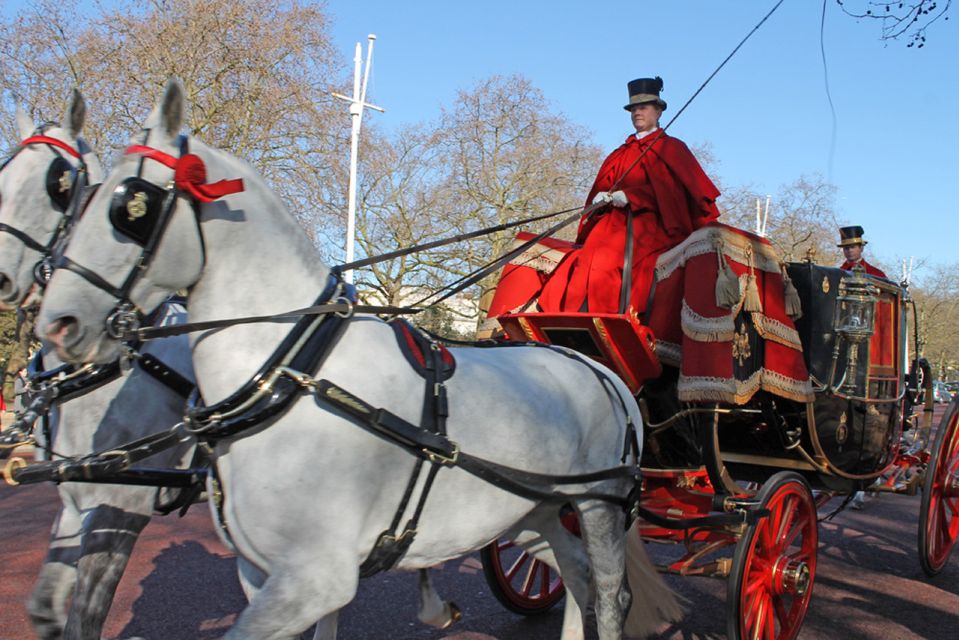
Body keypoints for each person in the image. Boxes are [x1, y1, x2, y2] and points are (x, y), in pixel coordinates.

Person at [537, 76, 721, 314]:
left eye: (643, 108)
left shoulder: (672, 148)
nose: (637, 113)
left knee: (609, 255)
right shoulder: (620, 153)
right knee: (586, 255)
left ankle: (608, 314)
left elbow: (676, 195)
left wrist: (634, 197)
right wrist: (600, 201)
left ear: (658, 111)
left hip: (654, 225)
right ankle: (573, 313)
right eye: (633, 109)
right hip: (612, 222)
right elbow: (604, 186)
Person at [839, 225, 886, 510]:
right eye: (846, 247)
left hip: (871, 348)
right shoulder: (838, 273)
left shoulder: (876, 275)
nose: (849, 251)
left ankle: (869, 472)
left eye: (853, 247)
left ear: (861, 248)